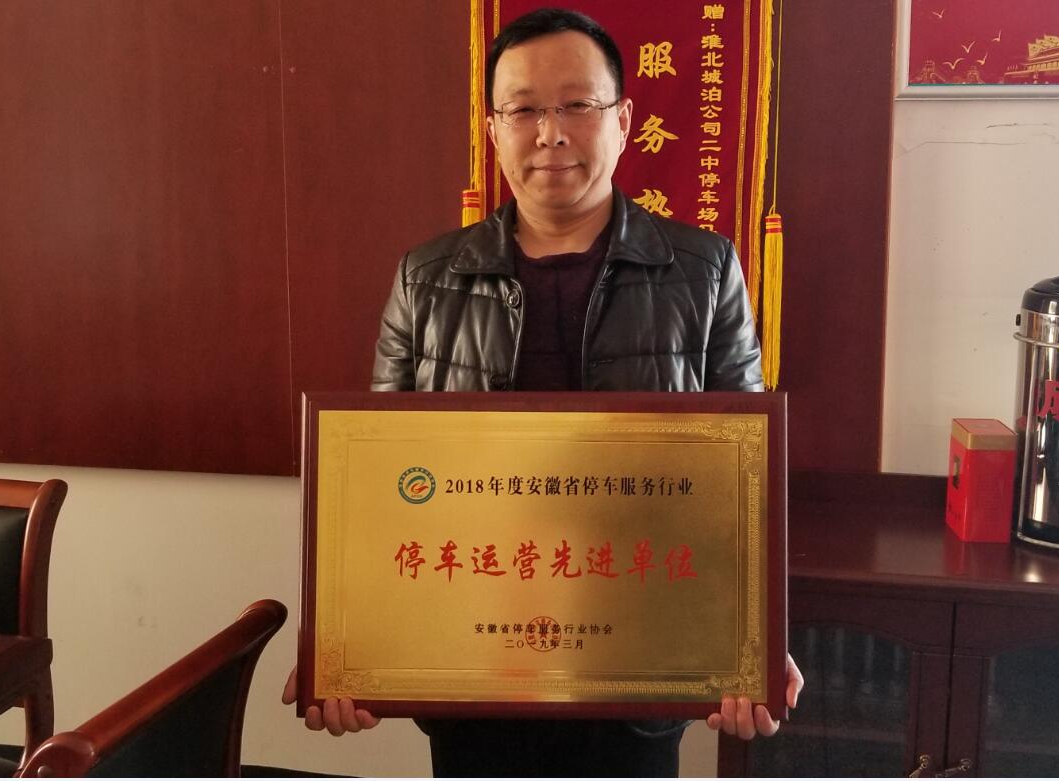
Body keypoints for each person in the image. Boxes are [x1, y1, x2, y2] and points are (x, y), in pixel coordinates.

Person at [282, 7, 802, 775]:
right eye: (523, 109)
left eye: (576, 105)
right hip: (473, 661)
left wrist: (753, 640)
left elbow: (741, 483)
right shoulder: (426, 278)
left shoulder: (704, 270)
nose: (549, 133)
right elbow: (379, 493)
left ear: (622, 121)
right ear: (493, 129)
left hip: (638, 660)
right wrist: (345, 642)